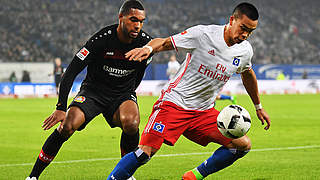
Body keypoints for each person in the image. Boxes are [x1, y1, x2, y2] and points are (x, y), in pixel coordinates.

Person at [107, 2, 271, 180]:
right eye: (243, 28)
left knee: (243, 145)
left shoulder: (245, 50)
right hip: (174, 104)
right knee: (144, 153)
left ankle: (193, 176)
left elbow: (247, 74)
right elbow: (164, 42)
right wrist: (148, 48)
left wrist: (258, 106)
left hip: (203, 112)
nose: (245, 34)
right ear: (232, 20)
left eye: (250, 31)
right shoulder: (203, 34)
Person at [26, 1, 152, 179]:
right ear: (121, 18)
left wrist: (129, 94)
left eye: (141, 21)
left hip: (121, 93)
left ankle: (126, 173)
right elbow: (70, 72)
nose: (138, 25)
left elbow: (139, 74)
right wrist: (61, 107)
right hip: (93, 92)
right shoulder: (100, 40)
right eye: (133, 20)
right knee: (67, 126)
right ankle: (33, 176)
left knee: (132, 123)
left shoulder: (146, 44)